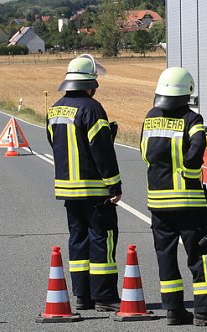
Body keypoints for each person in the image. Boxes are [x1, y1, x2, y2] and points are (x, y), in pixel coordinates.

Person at [141, 67, 207, 327]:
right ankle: (205, 311)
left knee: (166, 256)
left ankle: (173, 311)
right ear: (187, 92)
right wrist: (190, 174)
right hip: (188, 202)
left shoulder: (150, 118)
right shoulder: (192, 119)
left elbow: (144, 153)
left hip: (158, 202)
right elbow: (197, 150)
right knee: (201, 255)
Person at [46, 54, 122, 312]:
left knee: (77, 239)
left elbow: (53, 143)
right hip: (94, 189)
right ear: (90, 84)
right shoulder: (92, 109)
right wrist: (114, 185)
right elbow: (101, 149)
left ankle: (82, 296)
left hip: (68, 189)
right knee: (103, 238)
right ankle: (105, 297)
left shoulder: (54, 109)